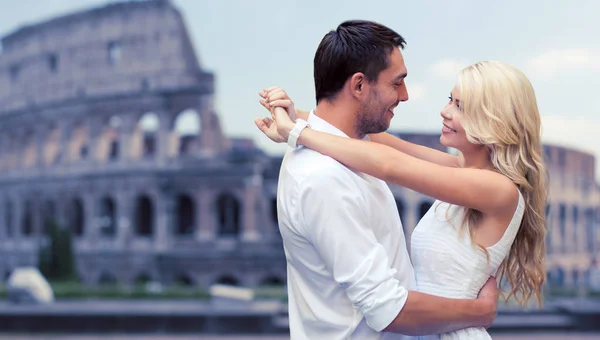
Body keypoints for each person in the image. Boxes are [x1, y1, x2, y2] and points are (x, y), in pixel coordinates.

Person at [256, 58, 548, 338]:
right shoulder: (461, 171)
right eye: (451, 99)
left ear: (494, 119)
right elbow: (379, 140)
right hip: (433, 330)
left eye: (461, 106)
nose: (445, 111)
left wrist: (297, 133)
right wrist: (294, 114)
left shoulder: (497, 189)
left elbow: (388, 164)